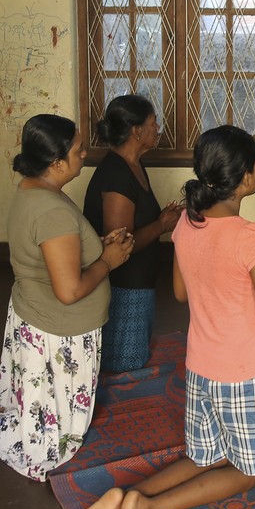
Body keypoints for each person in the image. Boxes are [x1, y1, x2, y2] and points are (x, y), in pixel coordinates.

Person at [64, 125, 255, 509]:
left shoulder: (187, 226)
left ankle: (128, 495)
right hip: (244, 373)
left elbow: (182, 292)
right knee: (248, 471)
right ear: (246, 177)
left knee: (204, 455)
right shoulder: (253, 237)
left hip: (201, 369)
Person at [0, 115, 134, 480]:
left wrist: (97, 250)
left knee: (30, 393)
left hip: (33, 316)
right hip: (59, 330)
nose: (85, 155)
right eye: (79, 151)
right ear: (57, 163)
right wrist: (108, 262)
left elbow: (56, 254)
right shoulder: (53, 212)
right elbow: (69, 291)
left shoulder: (33, 189)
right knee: (51, 431)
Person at [82, 95, 182, 373]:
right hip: (122, 287)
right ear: (137, 132)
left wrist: (163, 218)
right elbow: (119, 245)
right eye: (153, 123)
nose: (157, 128)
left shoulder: (134, 164)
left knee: (135, 357)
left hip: (139, 280)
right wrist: (161, 224)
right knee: (124, 366)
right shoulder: (116, 174)